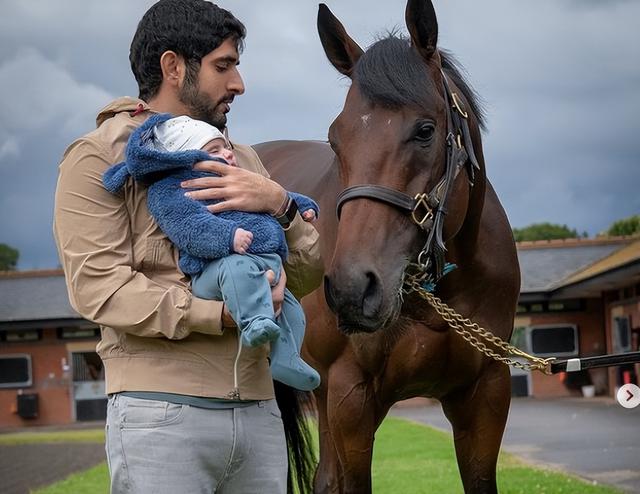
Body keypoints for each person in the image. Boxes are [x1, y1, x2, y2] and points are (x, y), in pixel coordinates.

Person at [52, 0, 323, 492]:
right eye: (224, 66)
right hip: (160, 417)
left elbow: (306, 277)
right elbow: (100, 289)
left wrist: (281, 204)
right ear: (173, 67)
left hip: (261, 413)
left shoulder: (244, 159)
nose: (239, 83)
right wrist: (223, 312)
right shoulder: (98, 156)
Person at [102, 113, 321, 391]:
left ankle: (287, 359)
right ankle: (255, 323)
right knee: (237, 271)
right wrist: (229, 238)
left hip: (262, 262)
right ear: (187, 157)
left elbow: (280, 196)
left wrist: (298, 204)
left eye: (225, 147)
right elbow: (190, 228)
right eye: (214, 150)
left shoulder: (239, 176)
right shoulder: (173, 189)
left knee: (292, 309)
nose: (227, 153)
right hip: (218, 266)